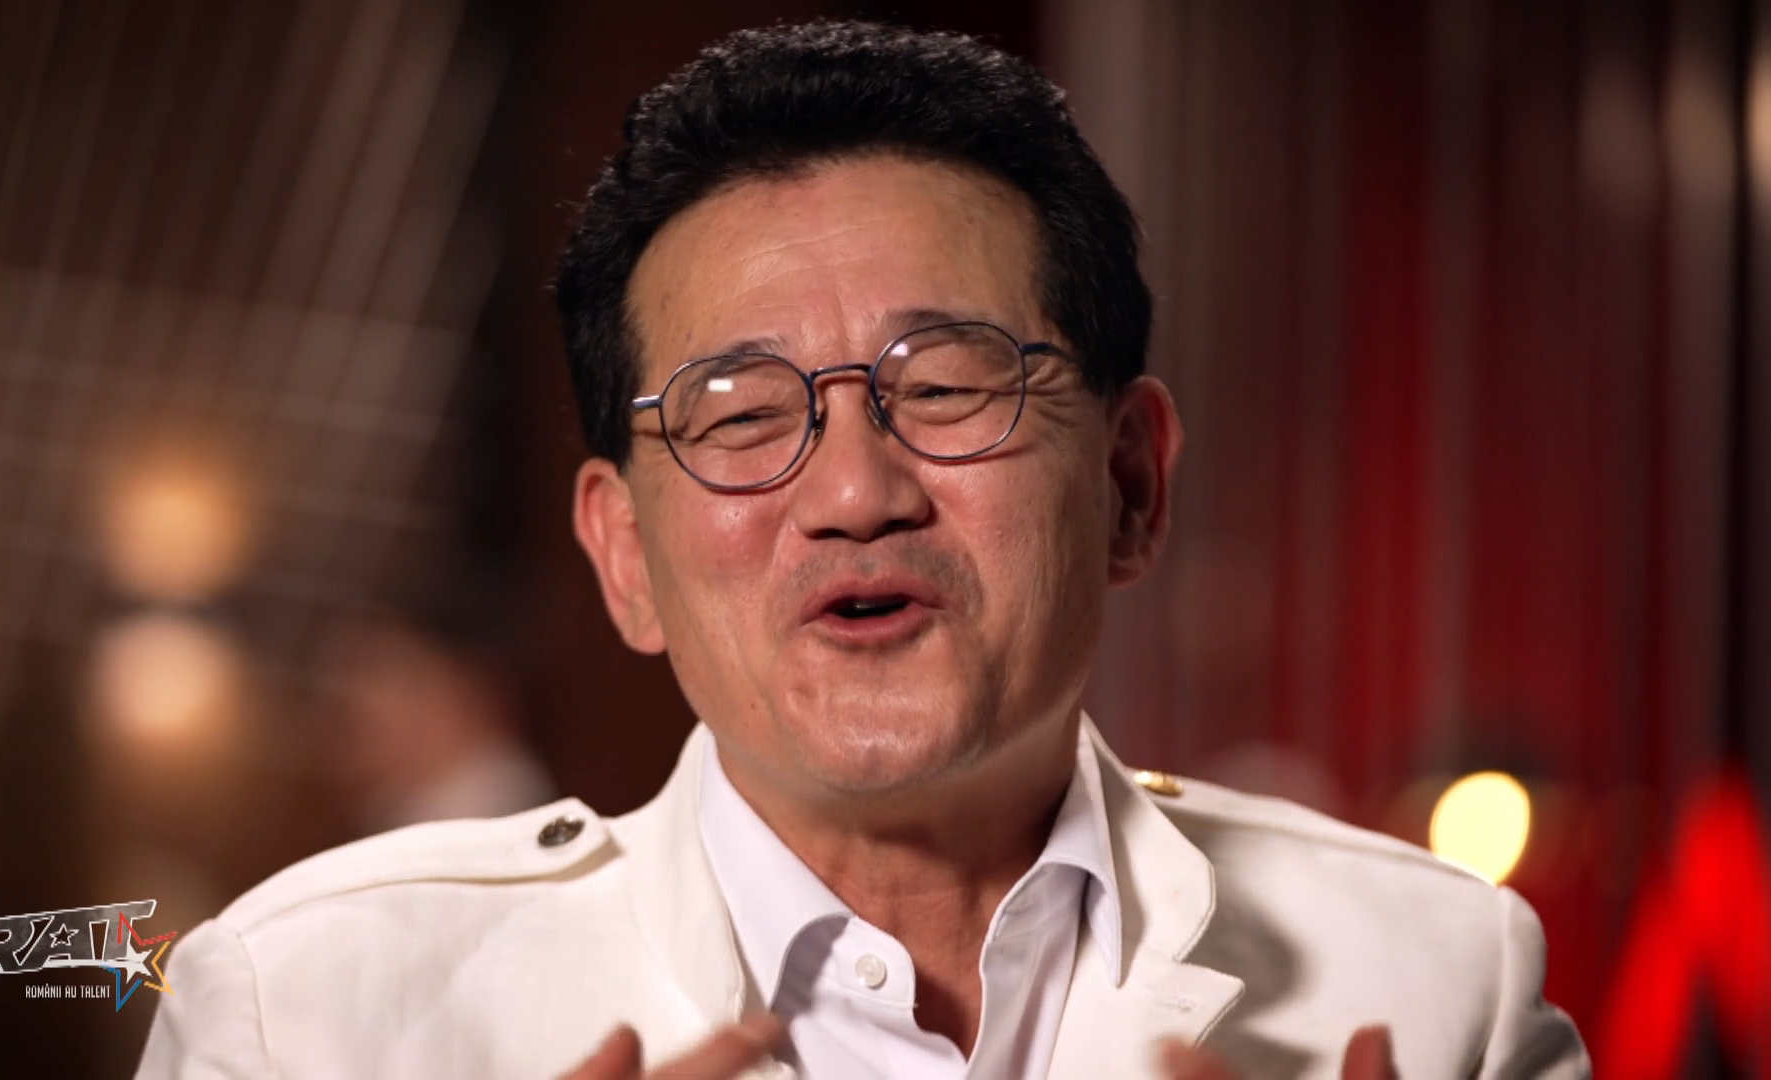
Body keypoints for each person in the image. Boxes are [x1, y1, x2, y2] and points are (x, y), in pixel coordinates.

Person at [136, 21, 1588, 1079]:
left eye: (945, 386)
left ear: (1131, 483)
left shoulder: (1437, 978)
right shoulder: (307, 1010)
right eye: (740, 415)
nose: (852, 492)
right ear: (626, 556)